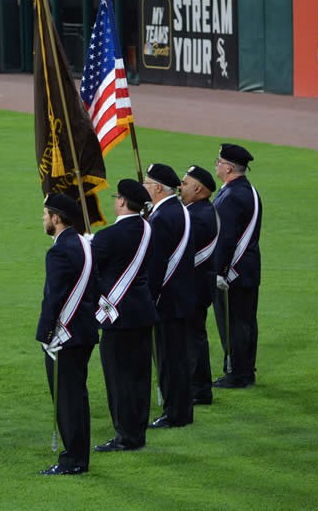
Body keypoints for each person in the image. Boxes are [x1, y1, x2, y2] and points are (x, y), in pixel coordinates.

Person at [36, 194, 99, 476]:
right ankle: (78, 457)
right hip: (84, 332)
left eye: (46, 214)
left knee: (67, 400)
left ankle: (72, 460)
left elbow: (54, 298)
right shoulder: (85, 244)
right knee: (78, 396)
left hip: (66, 337)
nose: (43, 219)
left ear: (57, 218)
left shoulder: (60, 251)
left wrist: (45, 334)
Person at [92, 180, 156, 453]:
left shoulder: (108, 237)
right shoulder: (148, 230)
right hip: (142, 313)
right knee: (140, 377)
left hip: (117, 318)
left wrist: (86, 244)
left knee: (119, 380)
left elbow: (89, 269)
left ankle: (125, 437)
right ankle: (137, 433)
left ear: (121, 202)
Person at [144, 164, 195, 430]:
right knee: (179, 357)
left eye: (147, 183)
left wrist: (149, 298)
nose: (144, 187)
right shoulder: (181, 211)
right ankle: (182, 409)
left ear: (157, 188)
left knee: (168, 358)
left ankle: (174, 413)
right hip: (183, 296)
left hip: (167, 300)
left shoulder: (162, 217)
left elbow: (157, 263)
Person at [211, 143, 263, 389]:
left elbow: (225, 239)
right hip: (248, 269)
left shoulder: (231, 196)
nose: (216, 165)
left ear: (229, 168)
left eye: (219, 162)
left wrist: (219, 271)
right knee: (246, 322)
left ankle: (236, 374)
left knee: (233, 324)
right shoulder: (248, 190)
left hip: (233, 272)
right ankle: (245, 369)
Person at [180, 165, 219, 406]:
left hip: (193, 287)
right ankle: (196, 386)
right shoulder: (200, 211)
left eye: (184, 184)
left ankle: (199, 390)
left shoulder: (198, 216)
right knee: (192, 337)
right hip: (197, 285)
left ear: (197, 188)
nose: (180, 188)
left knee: (192, 338)